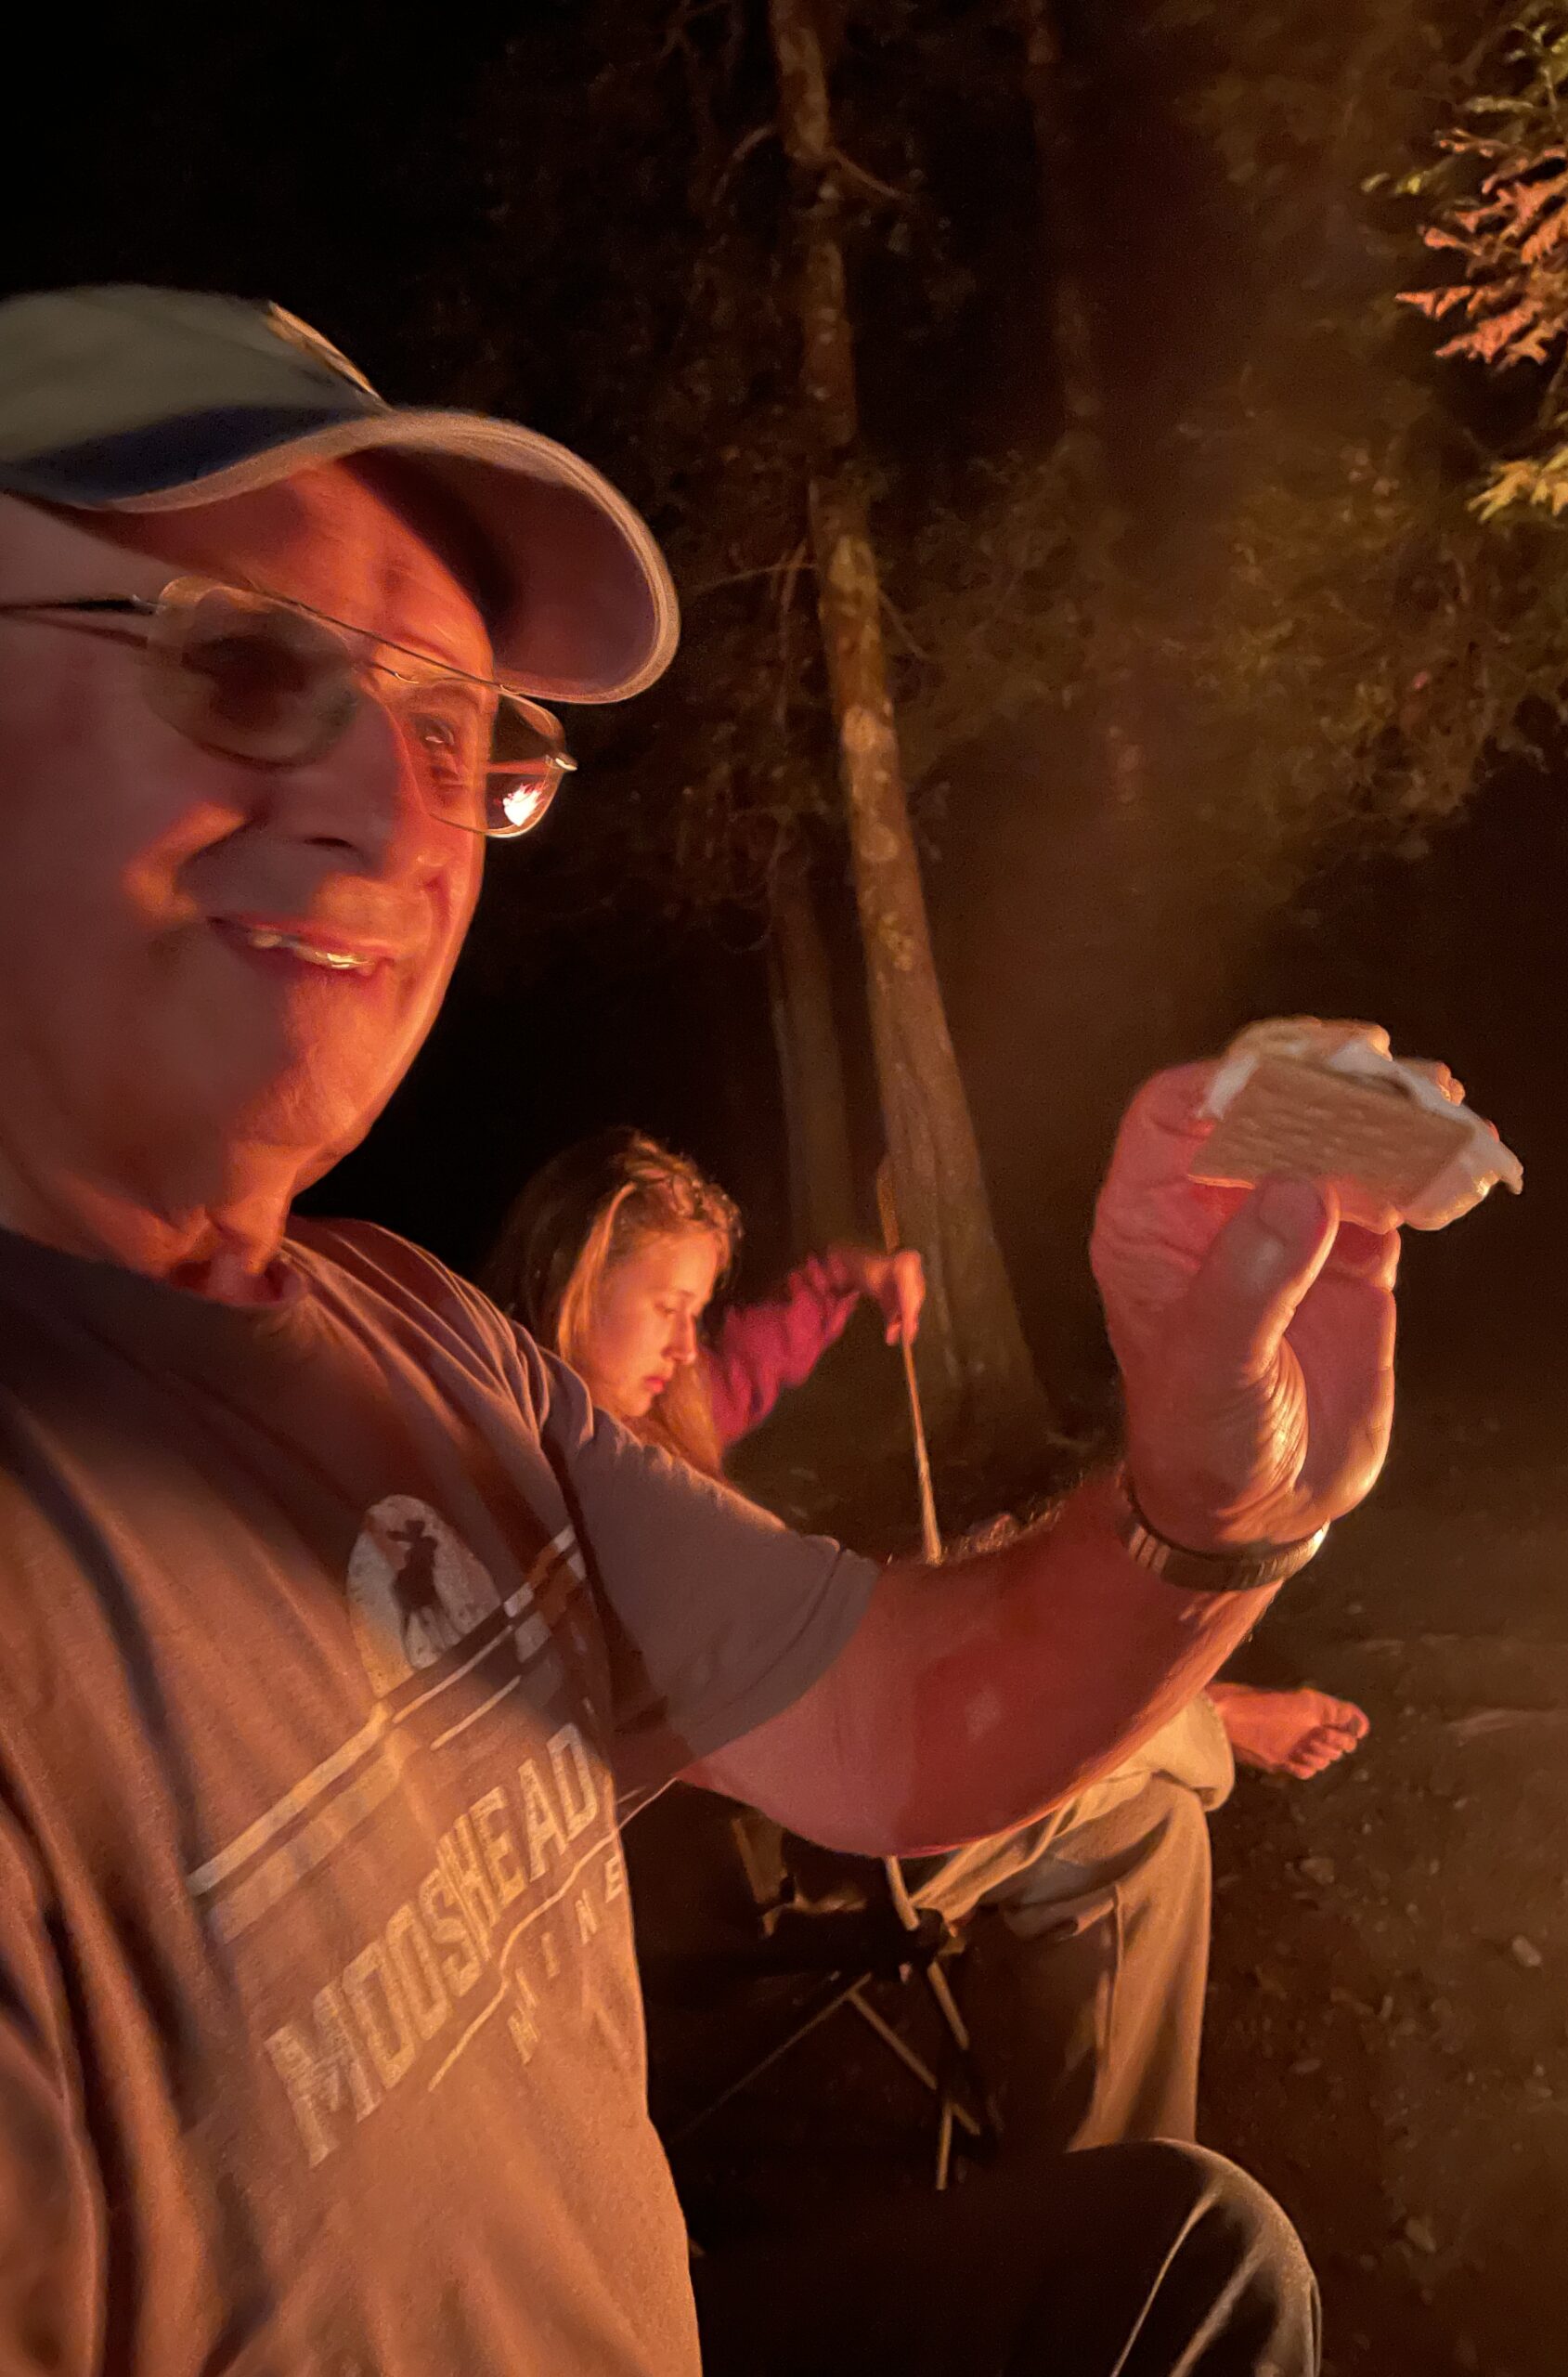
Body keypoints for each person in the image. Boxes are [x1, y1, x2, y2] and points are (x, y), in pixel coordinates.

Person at [0, 282, 1430, 2376]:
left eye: (451, 728)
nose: (401, 819)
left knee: (1184, 2259)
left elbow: (894, 1714)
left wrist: (1212, 1499)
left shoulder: (418, 1333)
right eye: (234, 661)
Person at [491, 1127, 1369, 2151]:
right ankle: (1210, 1717)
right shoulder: (563, 1487)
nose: (691, 1343)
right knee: (1095, 1759)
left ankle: (1108, 2205)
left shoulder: (624, 1419)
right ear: (573, 1284)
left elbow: (734, 1375)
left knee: (1146, 1828)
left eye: (698, 1310)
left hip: (786, 1789)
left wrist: (839, 1281)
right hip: (758, 1859)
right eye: (669, 1310)